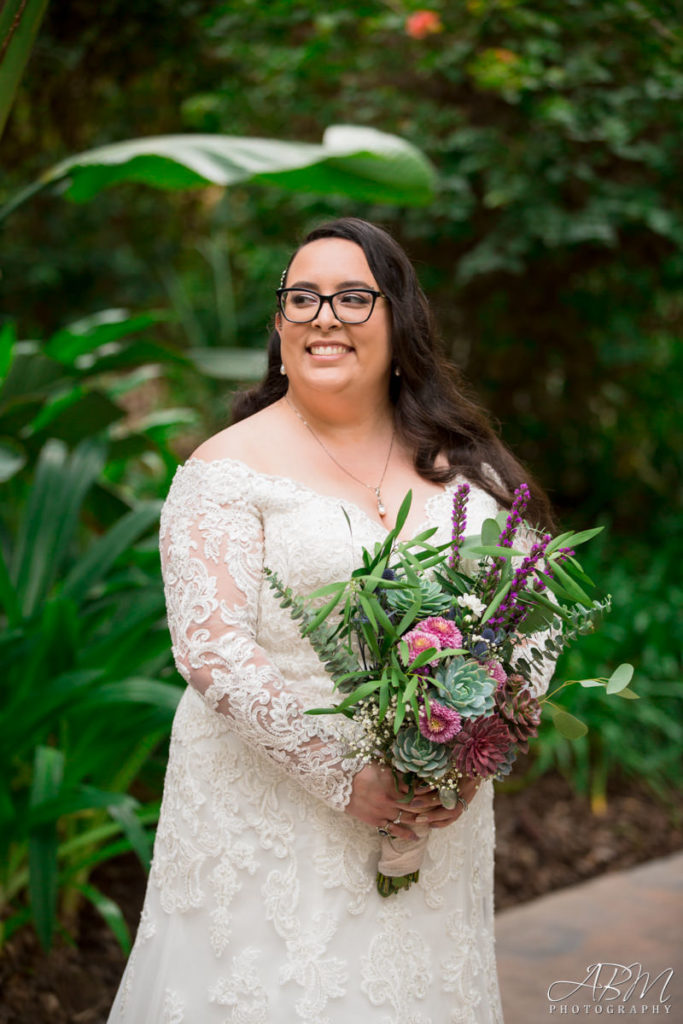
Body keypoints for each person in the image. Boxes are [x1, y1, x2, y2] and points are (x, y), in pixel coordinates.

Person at [108, 217, 555, 1023]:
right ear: (279, 325)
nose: (324, 316)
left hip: (435, 822)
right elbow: (212, 651)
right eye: (302, 297)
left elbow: (536, 615)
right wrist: (345, 777)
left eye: (353, 297)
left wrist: (466, 758)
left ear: (398, 320)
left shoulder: (464, 468)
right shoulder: (224, 469)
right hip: (267, 819)